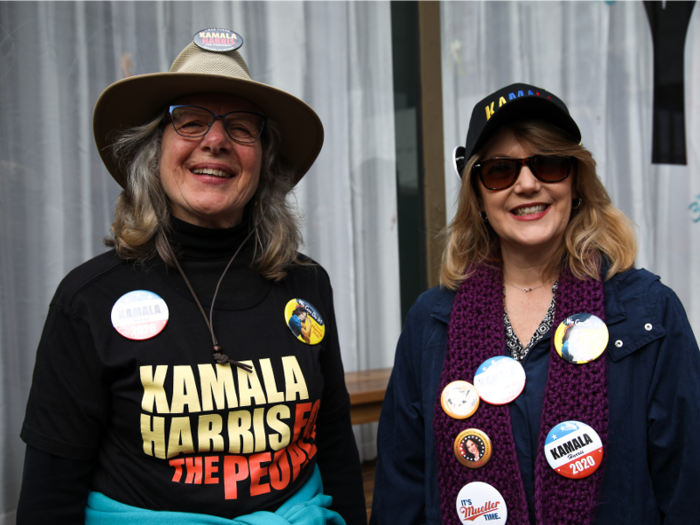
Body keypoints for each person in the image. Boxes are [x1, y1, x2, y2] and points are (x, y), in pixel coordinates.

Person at [18, 29, 365, 524]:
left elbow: (333, 444)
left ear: (263, 160)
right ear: (153, 150)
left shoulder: (307, 285)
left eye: (242, 127)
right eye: (190, 121)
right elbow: (50, 496)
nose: (216, 140)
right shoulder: (87, 300)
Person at [370, 83, 700, 524]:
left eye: (548, 164)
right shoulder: (431, 322)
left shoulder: (648, 313)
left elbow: (688, 488)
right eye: (501, 170)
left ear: (576, 180)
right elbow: (400, 491)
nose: (527, 184)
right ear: (479, 196)